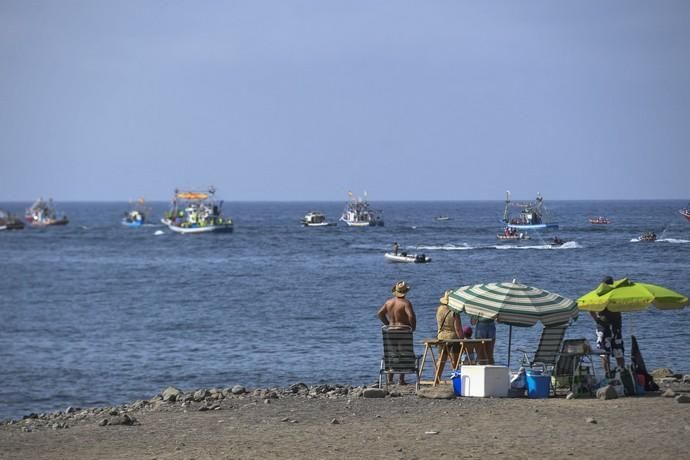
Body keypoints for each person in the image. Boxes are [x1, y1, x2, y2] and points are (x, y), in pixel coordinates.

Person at [378, 281, 416, 384]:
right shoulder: (406, 303)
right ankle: (401, 379)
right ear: (405, 292)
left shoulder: (388, 302)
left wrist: (388, 323)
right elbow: (411, 316)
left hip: (390, 332)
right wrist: (413, 327)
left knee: (392, 353)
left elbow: (380, 313)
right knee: (403, 354)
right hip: (403, 331)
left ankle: (390, 379)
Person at [590, 276, 625, 376]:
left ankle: (608, 374)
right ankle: (621, 373)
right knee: (618, 352)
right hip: (615, 328)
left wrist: (596, 319)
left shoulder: (600, 295)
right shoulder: (617, 295)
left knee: (605, 353)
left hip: (604, 327)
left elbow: (590, 308)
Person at [436, 290, 463, 370]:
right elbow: (457, 328)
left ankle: (437, 379)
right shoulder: (454, 312)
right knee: (455, 362)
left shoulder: (439, 309)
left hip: (441, 337)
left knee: (441, 360)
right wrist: (462, 340)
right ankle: (454, 380)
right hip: (453, 338)